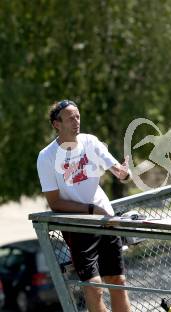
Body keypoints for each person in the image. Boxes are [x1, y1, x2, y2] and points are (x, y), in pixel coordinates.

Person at [37, 100, 131, 312]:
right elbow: (54, 202)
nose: (76, 122)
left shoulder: (90, 141)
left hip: (106, 218)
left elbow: (117, 170)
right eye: (70, 118)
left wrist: (124, 173)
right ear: (56, 124)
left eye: (78, 116)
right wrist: (90, 210)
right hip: (78, 225)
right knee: (94, 287)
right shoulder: (46, 157)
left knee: (118, 281)